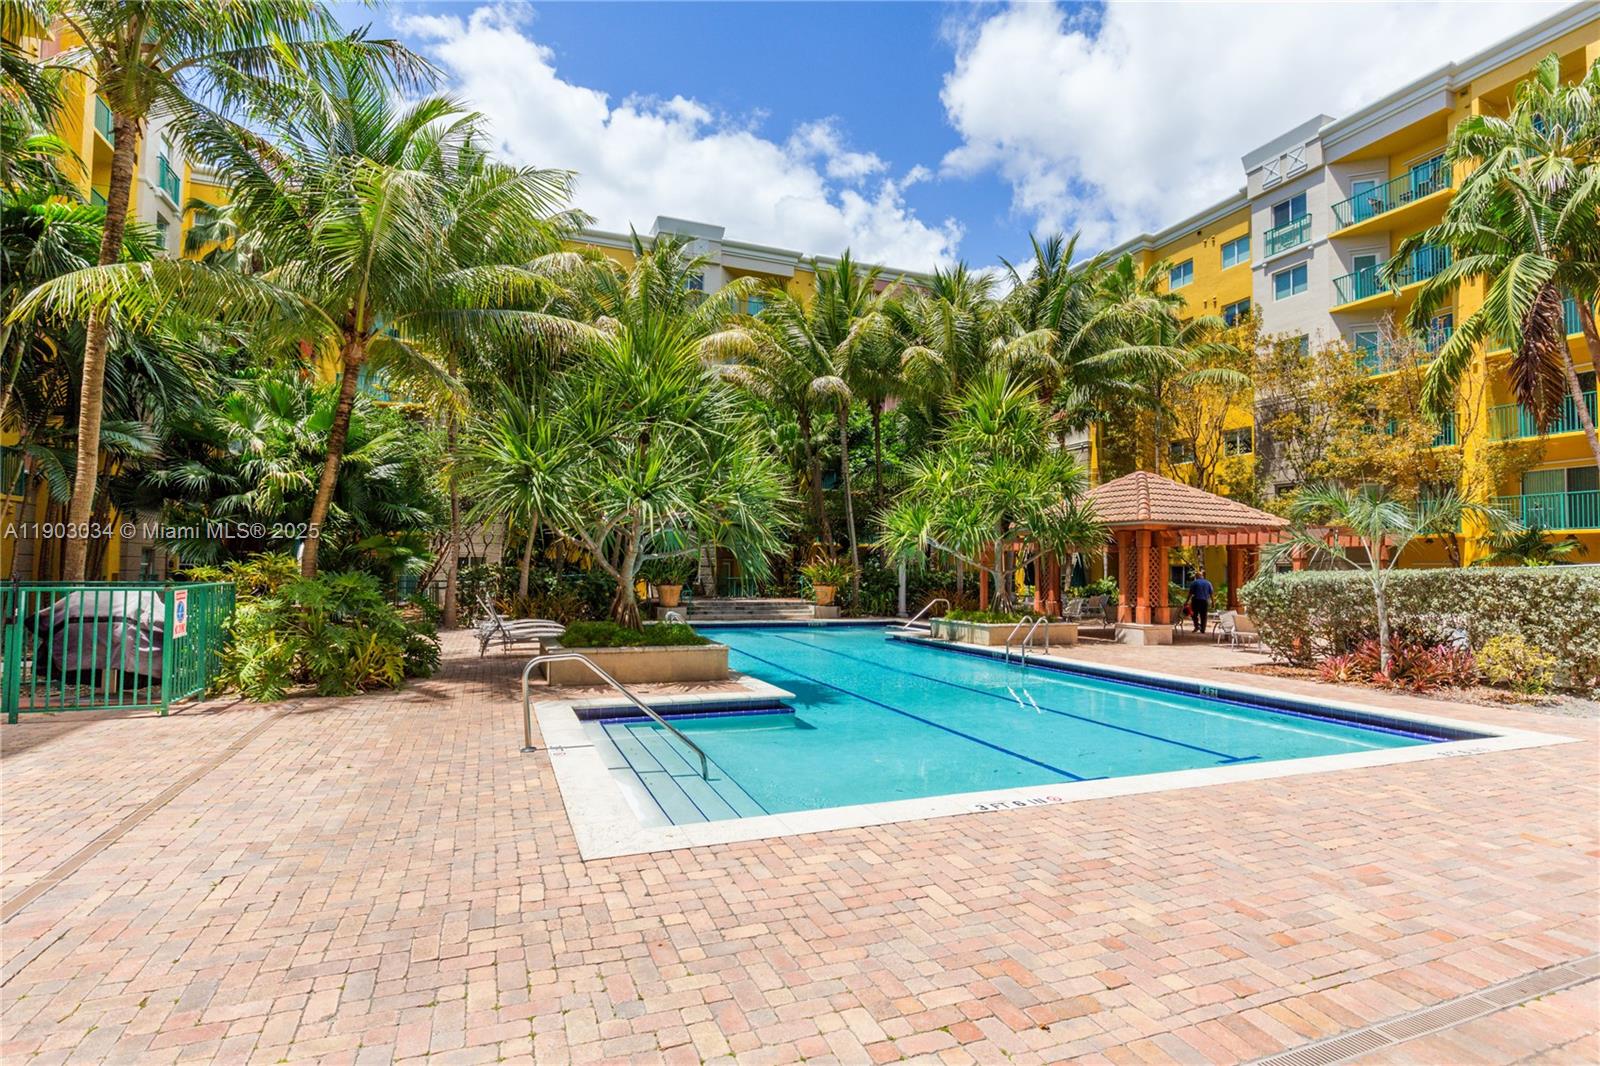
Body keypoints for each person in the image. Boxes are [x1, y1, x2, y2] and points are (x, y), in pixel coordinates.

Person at [1186, 568, 1214, 634]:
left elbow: (1190, 593)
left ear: (1196, 577)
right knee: (1203, 615)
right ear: (1202, 576)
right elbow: (1211, 594)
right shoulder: (1208, 583)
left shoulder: (1194, 583)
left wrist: (1187, 601)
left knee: (1194, 614)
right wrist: (1213, 602)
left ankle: (1196, 626)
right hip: (1204, 601)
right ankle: (1203, 629)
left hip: (1196, 601)